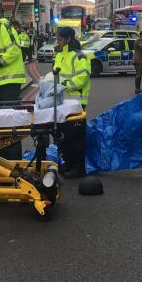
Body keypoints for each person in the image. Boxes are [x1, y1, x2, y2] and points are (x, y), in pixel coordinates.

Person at [53, 26, 91, 178]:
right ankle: (68, 162)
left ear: (68, 39)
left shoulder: (79, 55)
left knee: (75, 137)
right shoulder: (60, 55)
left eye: (60, 39)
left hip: (76, 102)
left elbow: (83, 77)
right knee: (63, 135)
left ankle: (78, 167)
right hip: (62, 102)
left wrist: (64, 86)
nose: (58, 42)